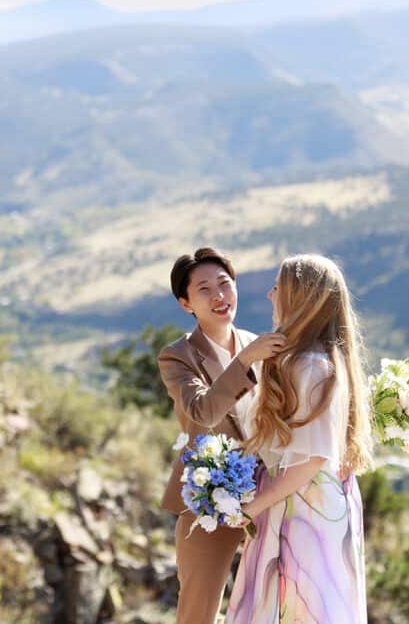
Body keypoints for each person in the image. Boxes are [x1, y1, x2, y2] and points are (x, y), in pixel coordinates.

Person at [226, 254, 373, 623]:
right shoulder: (315, 359)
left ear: (300, 299)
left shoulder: (311, 366)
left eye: (279, 287)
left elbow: (312, 458)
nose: (271, 295)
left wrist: (254, 505)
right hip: (313, 501)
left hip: (307, 507)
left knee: (305, 608)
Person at [157, 247, 285, 624]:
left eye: (225, 285)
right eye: (204, 289)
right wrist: (245, 361)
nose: (219, 296)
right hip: (209, 498)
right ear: (186, 303)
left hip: (269, 491)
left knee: (278, 603)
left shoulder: (255, 341)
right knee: (198, 611)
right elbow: (203, 412)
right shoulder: (177, 356)